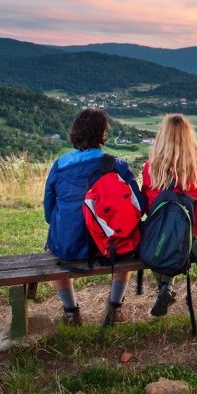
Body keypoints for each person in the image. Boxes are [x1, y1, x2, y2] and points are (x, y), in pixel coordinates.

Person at [43, 108, 144, 326]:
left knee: (52, 245)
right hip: (109, 246)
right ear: (102, 134)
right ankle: (115, 308)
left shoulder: (59, 165)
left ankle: (71, 312)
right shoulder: (117, 166)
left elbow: (49, 210)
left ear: (75, 132)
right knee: (125, 240)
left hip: (68, 245)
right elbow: (139, 206)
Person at [140, 113, 197, 317]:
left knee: (163, 242)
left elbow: (149, 208)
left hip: (164, 240)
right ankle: (166, 287)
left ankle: (166, 286)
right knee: (196, 232)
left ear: (162, 138)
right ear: (189, 138)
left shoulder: (150, 169)